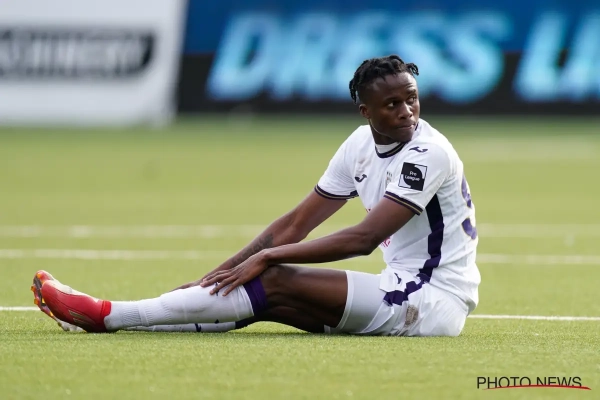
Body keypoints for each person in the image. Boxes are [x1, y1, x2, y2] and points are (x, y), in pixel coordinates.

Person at [31, 55, 481, 337]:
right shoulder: (359, 145)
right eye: (392, 104)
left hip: (432, 300)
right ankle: (120, 321)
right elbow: (295, 224)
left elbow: (363, 239)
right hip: (401, 287)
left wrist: (267, 258)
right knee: (263, 300)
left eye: (411, 99)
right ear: (366, 112)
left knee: (274, 280)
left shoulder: (428, 153)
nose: (407, 112)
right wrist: (216, 275)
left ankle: (105, 314)